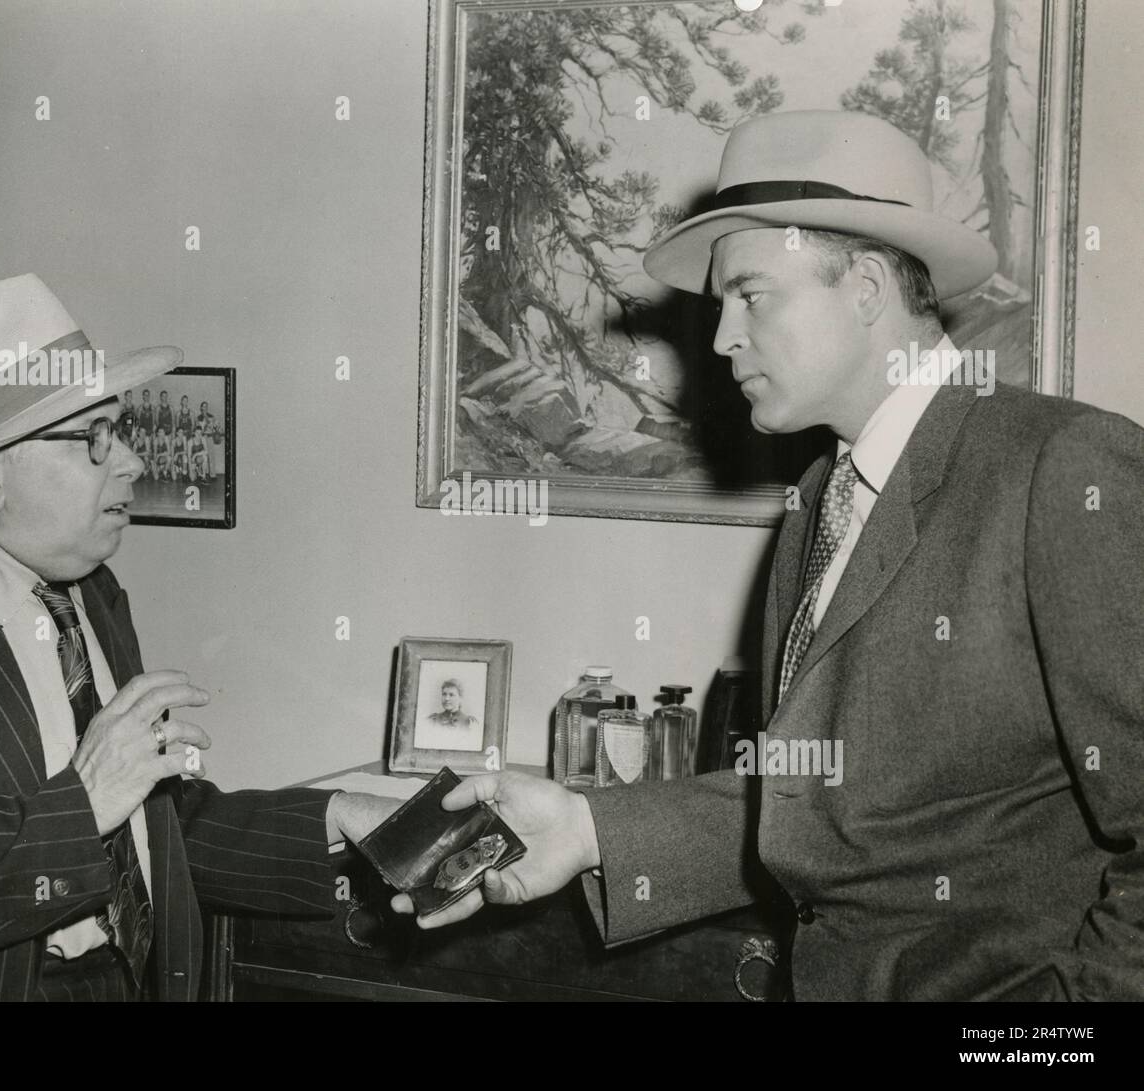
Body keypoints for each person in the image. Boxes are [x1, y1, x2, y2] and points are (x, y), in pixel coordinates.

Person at [393, 111, 1144, 1002]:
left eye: (752, 296)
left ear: (865, 286)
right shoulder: (820, 502)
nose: (720, 340)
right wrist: (587, 827)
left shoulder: (1063, 467)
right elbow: (809, 798)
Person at [0, 274, 395, 1000]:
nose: (133, 461)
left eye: (122, 430)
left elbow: (152, 826)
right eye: (94, 438)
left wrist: (342, 820)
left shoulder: (87, 590)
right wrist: (82, 802)